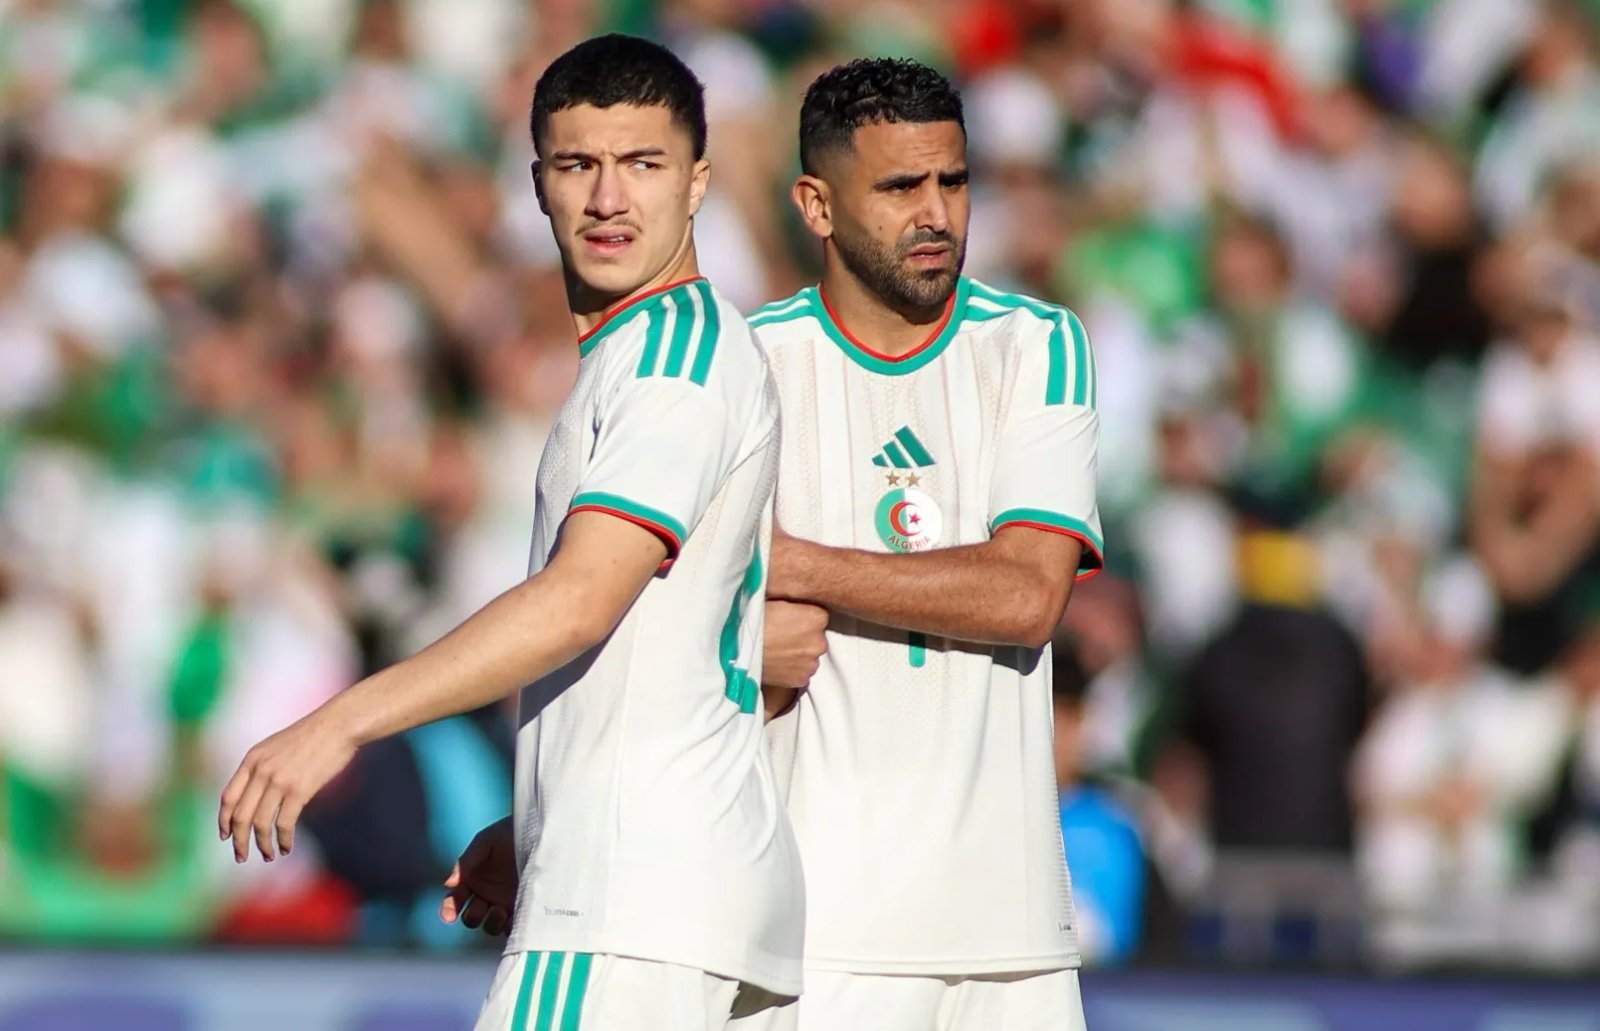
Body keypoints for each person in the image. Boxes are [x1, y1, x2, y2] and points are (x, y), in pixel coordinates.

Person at [216, 34, 803, 1031]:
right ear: (538, 185)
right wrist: (537, 815)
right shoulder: (659, 352)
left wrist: (340, 720)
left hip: (628, 900)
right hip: (660, 889)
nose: (608, 198)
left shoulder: (670, 360)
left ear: (699, 181)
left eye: (643, 164)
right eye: (578, 165)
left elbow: (580, 600)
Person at [750, 57, 1100, 1030]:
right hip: (819, 936)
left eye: (953, 180)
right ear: (817, 205)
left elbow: (1027, 594)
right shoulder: (748, 365)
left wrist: (795, 563)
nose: (937, 213)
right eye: (901, 187)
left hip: (1013, 939)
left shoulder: (1037, 346)